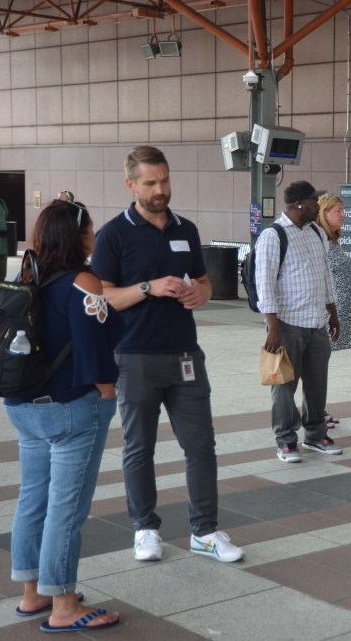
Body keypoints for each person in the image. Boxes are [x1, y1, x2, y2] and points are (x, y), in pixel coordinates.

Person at [90, 146, 243, 564]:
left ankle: (205, 532)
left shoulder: (186, 229)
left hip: (186, 356)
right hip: (134, 357)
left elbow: (207, 283)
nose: (161, 189)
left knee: (202, 447)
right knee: (139, 448)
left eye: (165, 180)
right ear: (131, 185)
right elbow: (101, 297)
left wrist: (201, 293)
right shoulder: (113, 234)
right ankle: (144, 529)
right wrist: (147, 288)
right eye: (150, 183)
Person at [5, 199, 123, 632]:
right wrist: (107, 394)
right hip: (72, 410)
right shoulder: (84, 281)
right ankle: (64, 605)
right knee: (67, 509)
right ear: (79, 236)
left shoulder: (27, 277)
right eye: (89, 229)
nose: (93, 235)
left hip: (24, 408)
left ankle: (33, 593)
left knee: (33, 498)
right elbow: (95, 350)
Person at [257, 180, 343, 462]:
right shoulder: (274, 235)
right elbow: (265, 284)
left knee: (317, 386)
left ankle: (316, 435)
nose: (317, 206)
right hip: (288, 325)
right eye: (313, 202)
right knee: (284, 387)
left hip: (316, 323)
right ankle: (285, 440)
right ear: (299, 205)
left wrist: (332, 312)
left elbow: (325, 275)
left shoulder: (315, 232)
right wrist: (273, 327)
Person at [315, 193, 351, 429]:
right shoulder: (320, 239)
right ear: (324, 213)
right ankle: (315, 411)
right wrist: (330, 312)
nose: (343, 215)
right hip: (324, 310)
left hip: (334, 308)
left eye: (343, 209)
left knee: (321, 363)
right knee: (317, 364)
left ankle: (318, 408)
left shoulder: (333, 238)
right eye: (337, 210)